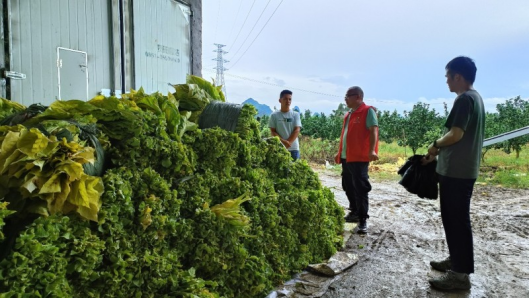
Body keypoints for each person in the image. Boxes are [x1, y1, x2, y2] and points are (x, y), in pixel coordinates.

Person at [423, 56, 485, 291]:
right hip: (461, 169)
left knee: (457, 221)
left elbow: (455, 135)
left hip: (457, 173)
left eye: (448, 76)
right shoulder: (475, 98)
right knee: (454, 219)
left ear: (458, 76)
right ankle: (456, 260)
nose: (447, 81)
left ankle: (460, 276)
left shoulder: (464, 99)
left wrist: (435, 145)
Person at [335, 86, 379, 234]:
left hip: (359, 157)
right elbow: (345, 135)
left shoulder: (368, 111)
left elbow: (373, 130)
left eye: (348, 96)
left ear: (358, 97)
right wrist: (340, 152)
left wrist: (372, 150)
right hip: (347, 157)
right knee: (347, 185)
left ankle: (362, 219)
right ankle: (353, 211)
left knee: (360, 188)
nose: (345, 99)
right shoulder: (348, 114)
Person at [269, 90, 302, 161]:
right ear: (280, 100)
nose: (288, 101)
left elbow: (297, 130)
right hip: (279, 148)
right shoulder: (274, 115)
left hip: (293, 149)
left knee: (294, 171)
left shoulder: (295, 114)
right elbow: (272, 131)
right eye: (285, 99)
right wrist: (283, 142)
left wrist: (288, 143)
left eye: (290, 99)